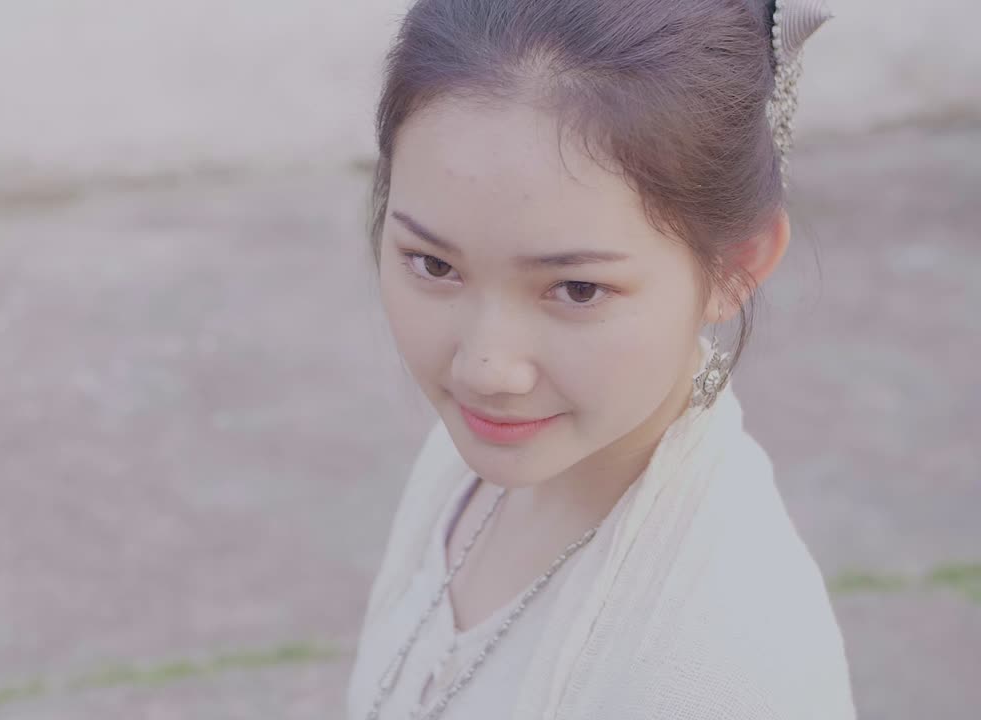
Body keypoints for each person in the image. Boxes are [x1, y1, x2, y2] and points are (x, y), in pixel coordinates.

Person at [344, 1, 855, 719]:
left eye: (577, 289)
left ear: (735, 266)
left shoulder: (718, 668)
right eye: (433, 264)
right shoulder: (475, 457)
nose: (487, 368)